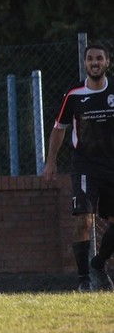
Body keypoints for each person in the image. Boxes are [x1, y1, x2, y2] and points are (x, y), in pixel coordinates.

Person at [44, 43, 114, 292]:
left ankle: (98, 264)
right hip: (85, 167)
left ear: (107, 62)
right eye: (90, 59)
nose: (95, 63)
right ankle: (84, 280)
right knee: (82, 220)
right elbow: (58, 129)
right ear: (85, 64)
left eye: (99, 59)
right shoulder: (73, 94)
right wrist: (51, 161)